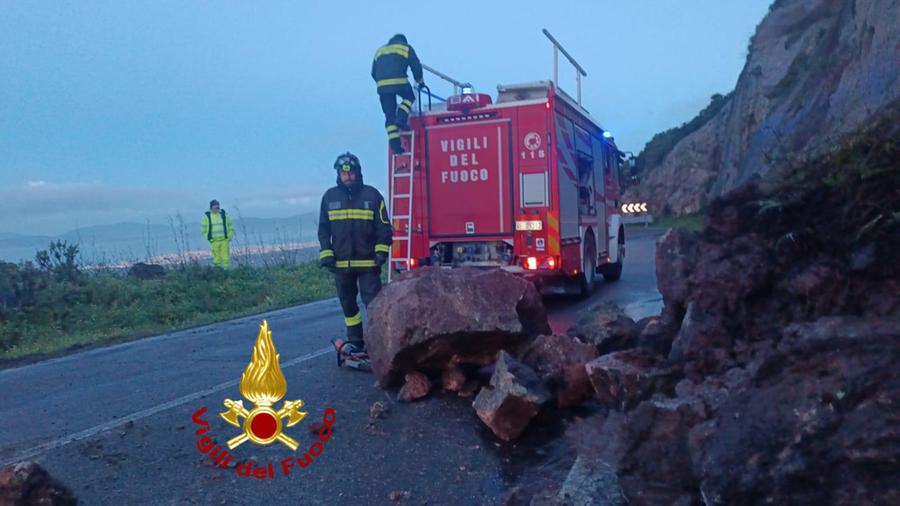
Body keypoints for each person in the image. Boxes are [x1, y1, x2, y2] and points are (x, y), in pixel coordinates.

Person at [318, 152, 392, 369]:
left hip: (368, 264)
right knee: (349, 306)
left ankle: (381, 343)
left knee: (374, 306)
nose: (347, 177)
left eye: (350, 173)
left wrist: (381, 252)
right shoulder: (329, 198)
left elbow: (383, 227)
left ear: (358, 173)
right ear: (338, 175)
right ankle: (357, 343)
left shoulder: (372, 196)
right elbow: (324, 230)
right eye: (343, 173)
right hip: (341, 266)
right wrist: (327, 253)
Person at [371, 34, 425, 155]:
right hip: (399, 82)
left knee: (389, 116)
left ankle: (395, 147)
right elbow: (416, 66)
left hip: (382, 87)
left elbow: (373, 72)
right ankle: (401, 117)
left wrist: (382, 83)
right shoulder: (406, 48)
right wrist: (420, 81)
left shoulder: (380, 50)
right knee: (409, 97)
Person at [201, 199, 235, 268]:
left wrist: (229, 236)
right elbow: (203, 229)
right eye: (215, 207)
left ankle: (226, 273)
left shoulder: (224, 215)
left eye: (217, 207)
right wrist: (209, 238)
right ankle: (218, 273)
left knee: (226, 258)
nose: (216, 209)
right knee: (216, 259)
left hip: (224, 240)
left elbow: (231, 226)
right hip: (214, 241)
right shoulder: (207, 217)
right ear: (211, 207)